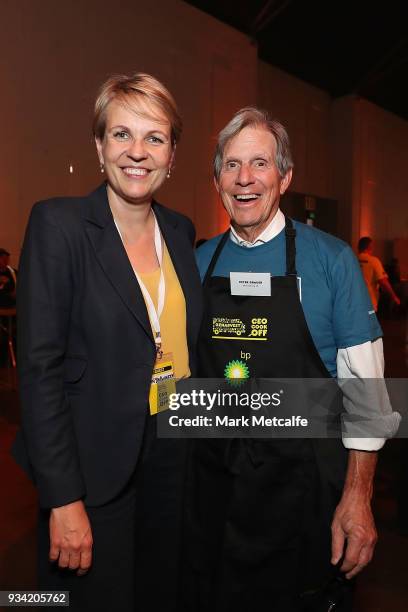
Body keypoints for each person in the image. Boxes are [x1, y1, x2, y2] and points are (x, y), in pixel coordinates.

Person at [184, 107, 400, 611]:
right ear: (216, 179)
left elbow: (367, 395)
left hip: (303, 491)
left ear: (285, 176)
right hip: (216, 491)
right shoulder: (198, 262)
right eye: (231, 165)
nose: (244, 179)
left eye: (259, 163)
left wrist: (358, 497)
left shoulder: (332, 261)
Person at [12, 72, 203, 611]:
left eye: (154, 137)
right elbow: (40, 370)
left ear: (172, 154)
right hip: (93, 465)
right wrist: (64, 498)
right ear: (99, 147)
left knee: (161, 593)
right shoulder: (60, 225)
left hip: (171, 454)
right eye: (121, 135)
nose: (137, 152)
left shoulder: (183, 232)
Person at [358, 236, 400, 311]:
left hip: (353, 303)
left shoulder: (352, 260)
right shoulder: (374, 261)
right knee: (370, 321)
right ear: (370, 247)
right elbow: (383, 281)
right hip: (369, 303)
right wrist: (394, 296)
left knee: (357, 322)